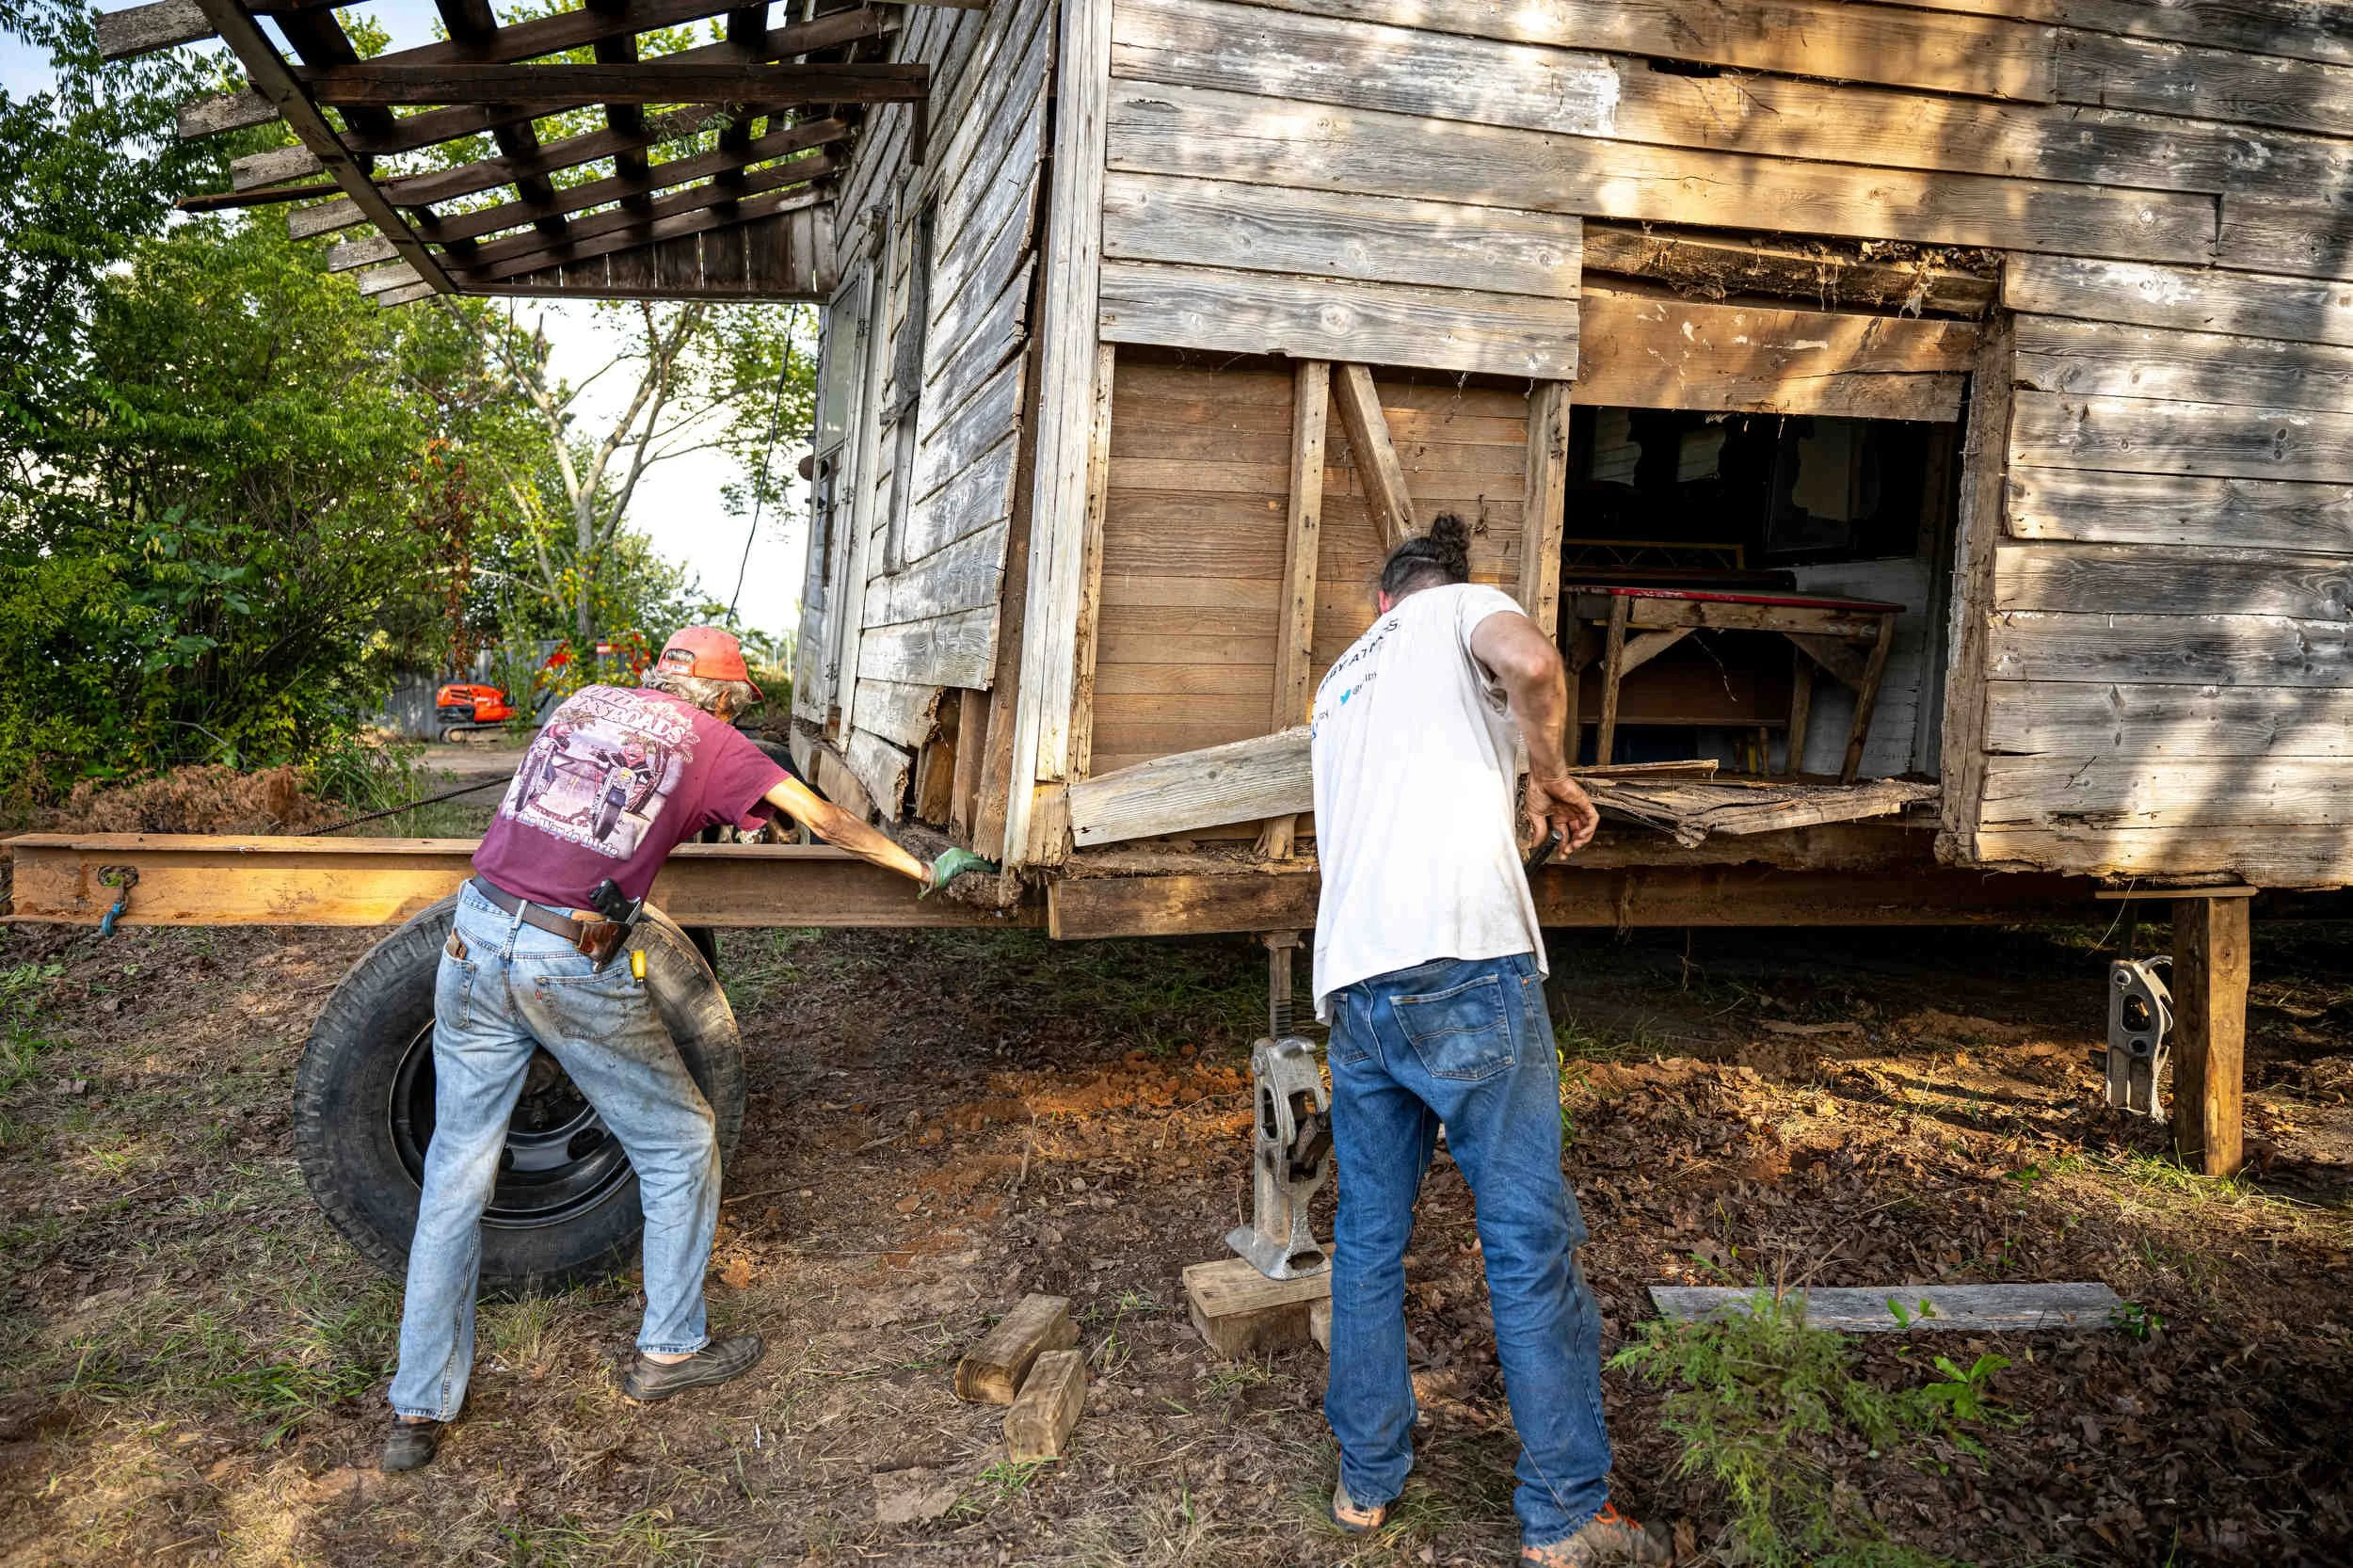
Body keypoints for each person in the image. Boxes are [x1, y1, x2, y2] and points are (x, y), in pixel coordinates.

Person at [381, 626, 989, 1473]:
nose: (737, 712)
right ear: (722, 695)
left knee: (455, 1174)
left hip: (471, 936)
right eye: (738, 701)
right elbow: (823, 818)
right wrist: (920, 867)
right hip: (565, 957)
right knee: (679, 1145)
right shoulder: (714, 741)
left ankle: (416, 1409)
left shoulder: (583, 703)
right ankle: (669, 1350)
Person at [1309, 517, 1667, 1566]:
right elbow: (1533, 661)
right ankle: (1563, 1513)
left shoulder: (1338, 682)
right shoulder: (1463, 608)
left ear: (1379, 602)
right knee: (1523, 1242)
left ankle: (1365, 1480)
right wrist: (1543, 771)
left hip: (1357, 985)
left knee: (1369, 1242)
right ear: (1436, 593)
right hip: (1462, 965)